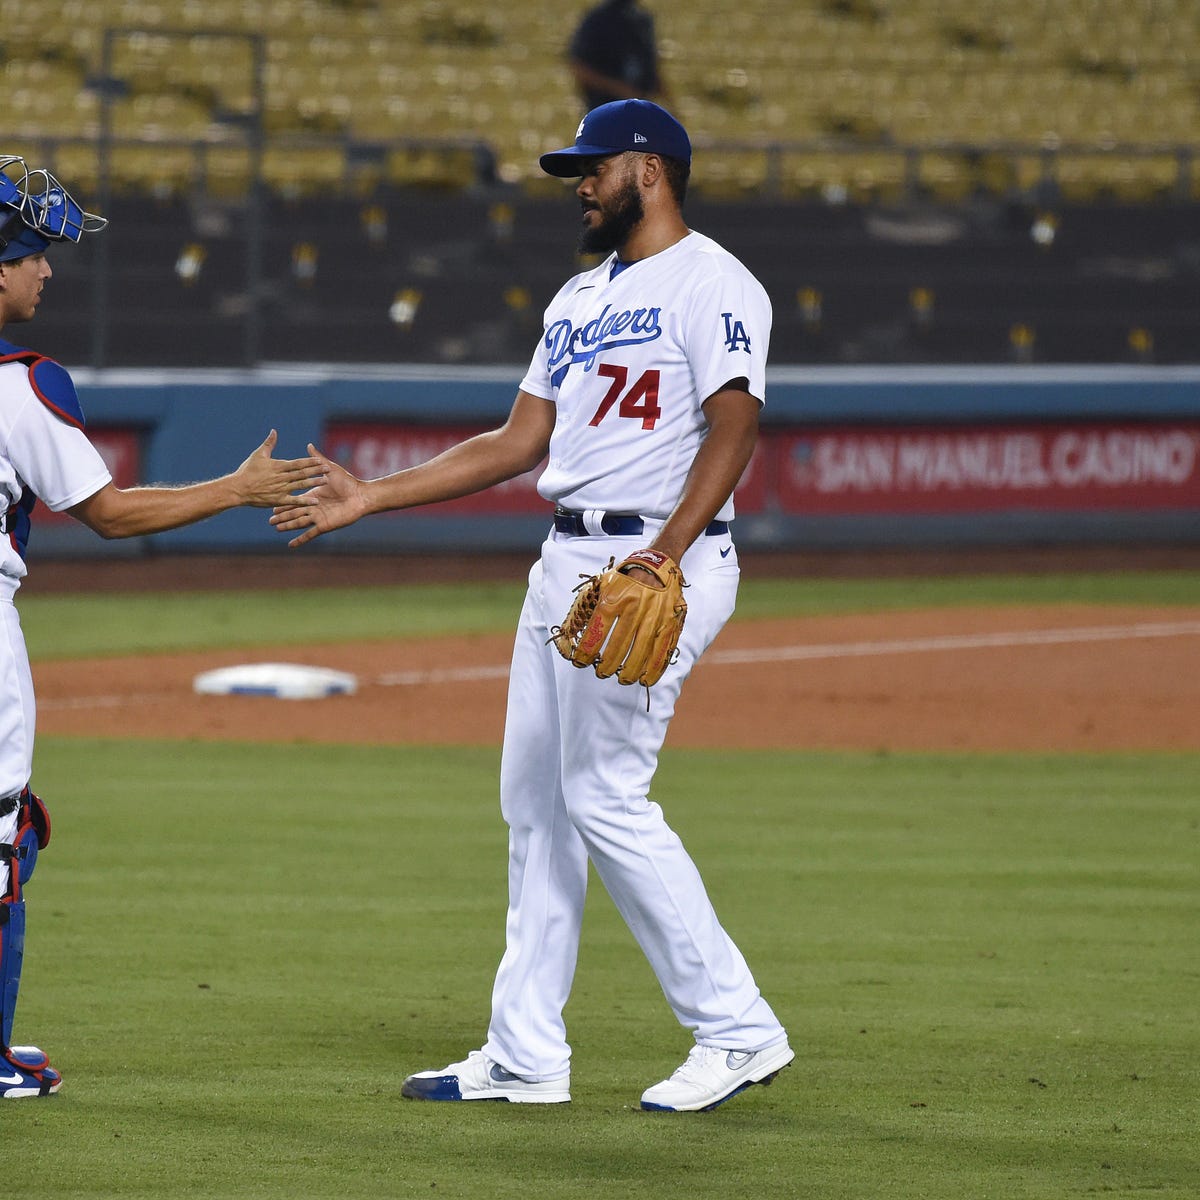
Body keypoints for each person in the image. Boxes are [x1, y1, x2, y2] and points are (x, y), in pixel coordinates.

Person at [271, 99, 793, 1113]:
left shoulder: (716, 283)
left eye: (594, 169)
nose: (580, 186)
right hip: (565, 565)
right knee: (536, 808)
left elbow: (737, 427)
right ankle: (525, 1052)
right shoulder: (577, 297)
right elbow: (517, 443)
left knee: (604, 794)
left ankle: (737, 1029)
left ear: (648, 169)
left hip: (657, 560)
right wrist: (372, 493)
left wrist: (664, 557)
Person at [0, 154, 321, 1098]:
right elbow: (106, 513)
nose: (47, 272)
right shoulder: (22, 382)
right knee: (2, 842)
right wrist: (236, 489)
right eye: (32, 257)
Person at [569, 0, 668, 112]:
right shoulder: (598, 20)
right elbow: (580, 67)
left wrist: (668, 103)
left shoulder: (641, 19)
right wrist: (620, 89)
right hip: (605, 111)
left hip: (640, 111)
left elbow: (650, 66)